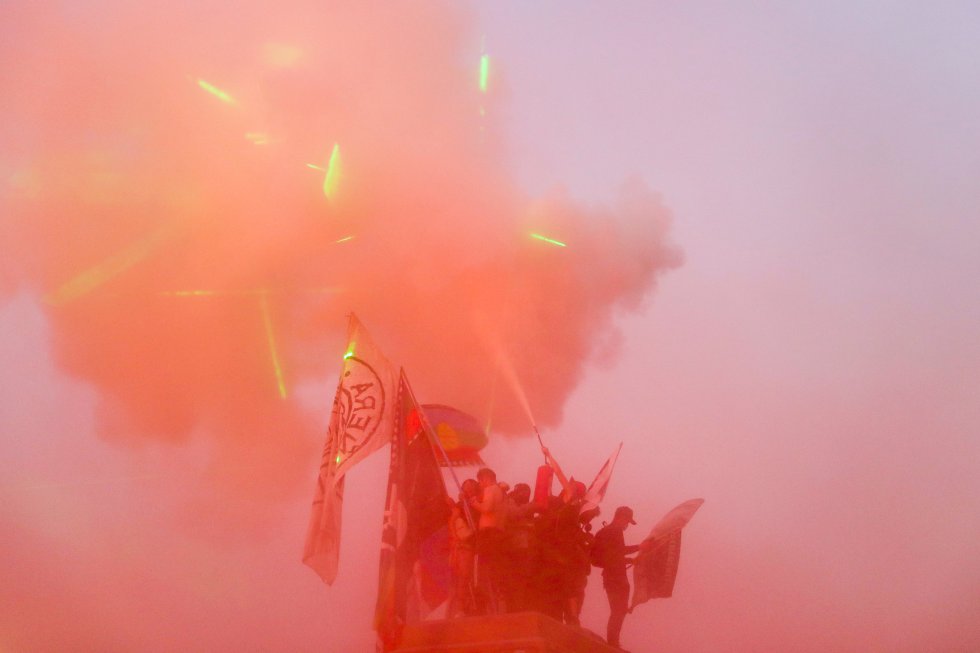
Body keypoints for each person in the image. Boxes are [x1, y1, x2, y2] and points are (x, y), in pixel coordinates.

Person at [592, 506, 641, 651]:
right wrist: (640, 546)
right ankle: (613, 643)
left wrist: (629, 561)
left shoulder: (609, 531)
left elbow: (613, 555)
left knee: (618, 611)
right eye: (627, 521)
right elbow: (617, 552)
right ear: (621, 518)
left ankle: (614, 642)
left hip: (612, 576)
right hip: (615, 578)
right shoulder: (614, 531)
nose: (627, 525)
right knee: (618, 611)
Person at [469, 467, 509, 613]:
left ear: (485, 478)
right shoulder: (503, 494)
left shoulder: (490, 489)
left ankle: (487, 605)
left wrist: (474, 503)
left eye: (480, 481)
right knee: (495, 569)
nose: (479, 484)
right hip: (499, 532)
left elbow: (487, 508)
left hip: (488, 534)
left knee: (484, 570)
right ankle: (498, 604)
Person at [447, 478, 479, 618]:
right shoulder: (460, 505)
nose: (469, 489)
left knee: (474, 577)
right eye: (466, 487)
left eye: (471, 486)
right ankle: (460, 607)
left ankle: (472, 605)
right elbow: (452, 521)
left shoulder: (478, 501)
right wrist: (456, 539)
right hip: (464, 545)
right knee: (463, 576)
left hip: (478, 544)